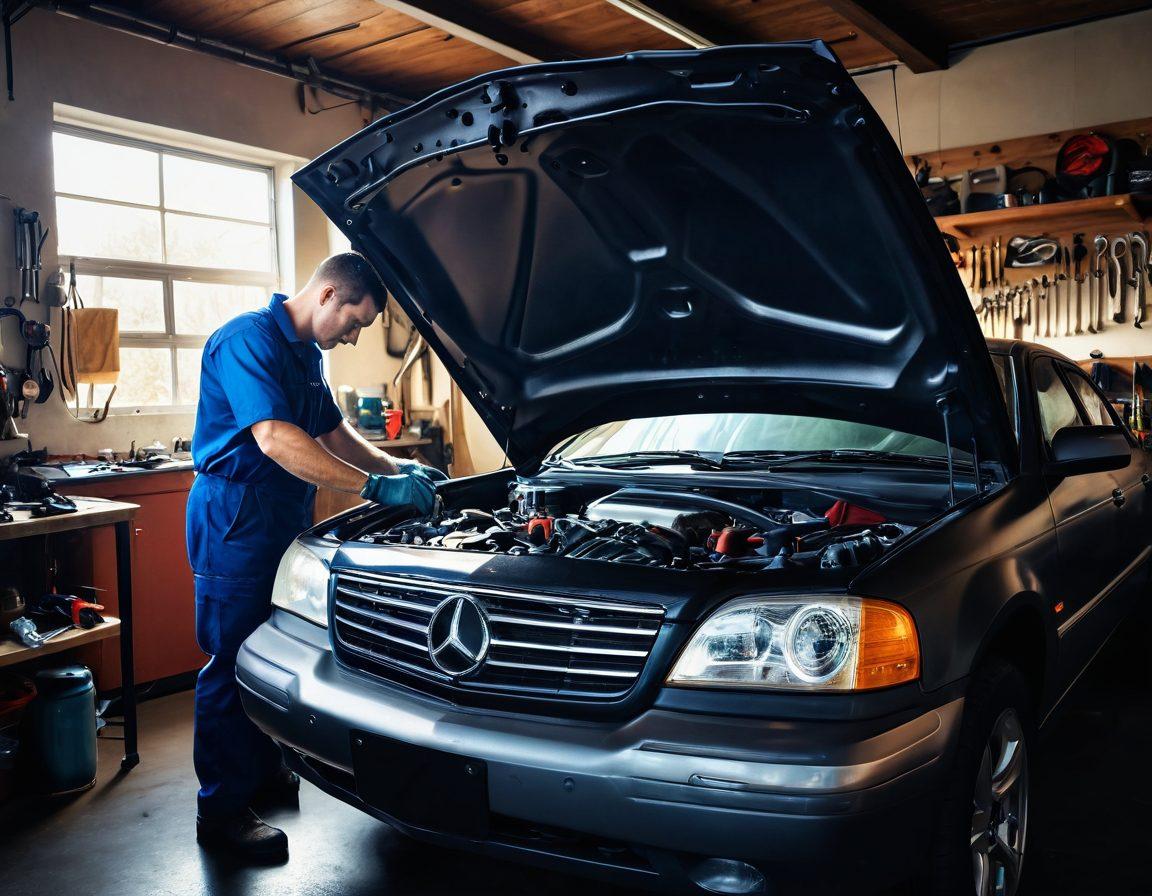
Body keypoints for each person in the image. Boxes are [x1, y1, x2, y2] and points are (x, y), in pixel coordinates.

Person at [185, 252, 443, 861]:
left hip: (282, 513)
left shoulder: (306, 356)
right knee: (230, 658)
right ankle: (219, 813)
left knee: (277, 647)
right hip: (236, 516)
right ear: (328, 295)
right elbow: (275, 438)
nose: (353, 337)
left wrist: (394, 465)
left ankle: (262, 770)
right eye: (354, 322)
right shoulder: (245, 339)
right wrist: (374, 488)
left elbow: (332, 432)